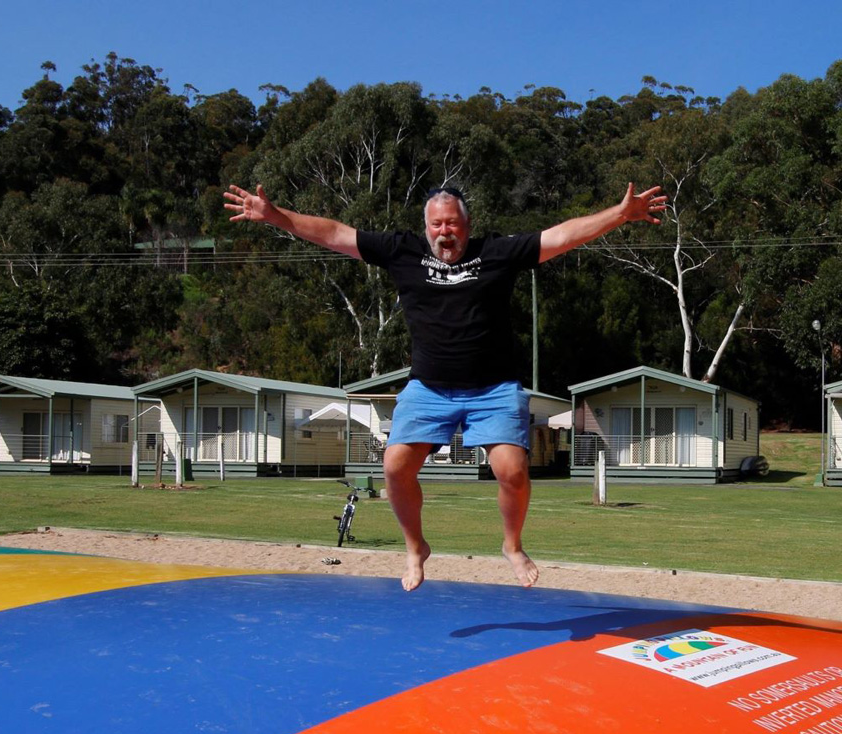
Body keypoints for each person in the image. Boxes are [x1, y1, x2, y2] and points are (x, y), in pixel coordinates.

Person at [224, 181, 667, 591]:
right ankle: (416, 547)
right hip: (428, 389)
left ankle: (511, 545)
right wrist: (276, 214)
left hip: (493, 388)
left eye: (452, 223)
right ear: (425, 227)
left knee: (511, 470)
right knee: (395, 466)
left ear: (466, 225)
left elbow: (562, 236)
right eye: (436, 224)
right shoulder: (402, 251)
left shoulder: (497, 252)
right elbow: (334, 233)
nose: (444, 232)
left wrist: (619, 214)